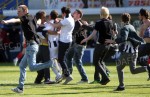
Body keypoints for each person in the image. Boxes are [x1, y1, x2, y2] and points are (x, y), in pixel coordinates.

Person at [1, 5, 53, 93]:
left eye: (19, 11)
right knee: (22, 66)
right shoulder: (31, 17)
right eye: (17, 11)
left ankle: (50, 63)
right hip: (32, 44)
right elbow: (38, 22)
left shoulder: (24, 18)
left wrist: (6, 21)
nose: (18, 13)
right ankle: (20, 88)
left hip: (32, 45)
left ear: (25, 11)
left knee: (32, 67)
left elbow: (16, 20)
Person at [105, 13, 148, 91]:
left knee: (119, 67)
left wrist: (112, 41)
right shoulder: (131, 26)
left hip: (128, 52)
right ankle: (147, 68)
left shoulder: (125, 28)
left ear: (122, 19)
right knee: (133, 70)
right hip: (135, 52)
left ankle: (121, 86)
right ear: (129, 19)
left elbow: (123, 39)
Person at [81, 6, 115, 85]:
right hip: (107, 46)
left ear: (101, 14)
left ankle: (105, 77)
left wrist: (86, 39)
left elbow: (93, 34)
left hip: (100, 45)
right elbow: (113, 34)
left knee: (96, 63)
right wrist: (112, 41)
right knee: (100, 61)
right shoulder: (111, 22)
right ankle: (103, 78)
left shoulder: (99, 22)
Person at [49, 6, 74, 84]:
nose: (62, 15)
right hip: (68, 40)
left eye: (62, 14)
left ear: (64, 13)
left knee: (61, 59)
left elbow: (56, 26)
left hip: (64, 41)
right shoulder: (71, 19)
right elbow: (61, 21)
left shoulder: (66, 20)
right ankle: (65, 74)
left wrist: (48, 21)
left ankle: (68, 75)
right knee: (62, 59)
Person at [66, 9, 88, 84]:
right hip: (76, 44)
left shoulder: (78, 23)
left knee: (77, 61)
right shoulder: (78, 22)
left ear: (78, 15)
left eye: (75, 13)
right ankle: (69, 75)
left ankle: (84, 79)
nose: (73, 13)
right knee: (68, 57)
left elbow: (72, 32)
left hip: (80, 45)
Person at [34, 10, 55, 84]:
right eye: (43, 17)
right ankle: (43, 78)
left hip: (45, 46)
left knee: (45, 63)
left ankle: (43, 79)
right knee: (38, 63)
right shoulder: (38, 25)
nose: (45, 18)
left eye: (45, 17)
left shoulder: (45, 25)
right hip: (42, 46)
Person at [46, 10, 62, 83]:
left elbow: (49, 32)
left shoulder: (50, 23)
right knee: (58, 59)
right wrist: (57, 32)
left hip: (52, 44)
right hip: (57, 42)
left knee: (51, 61)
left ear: (50, 16)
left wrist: (55, 33)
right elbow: (59, 31)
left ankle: (58, 74)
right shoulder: (58, 22)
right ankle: (61, 72)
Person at [137, 8, 150, 80]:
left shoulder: (148, 23)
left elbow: (140, 36)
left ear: (143, 16)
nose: (138, 16)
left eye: (139, 15)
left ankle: (148, 69)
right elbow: (140, 36)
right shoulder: (142, 25)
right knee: (140, 58)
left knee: (138, 56)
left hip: (148, 45)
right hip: (147, 45)